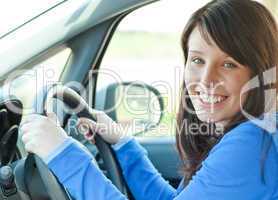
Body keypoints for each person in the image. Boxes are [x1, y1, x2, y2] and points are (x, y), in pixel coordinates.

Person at [21, 0, 278, 199]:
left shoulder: (253, 143)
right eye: (198, 60)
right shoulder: (253, 133)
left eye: (229, 64)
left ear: (259, 72)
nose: (206, 80)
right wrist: (123, 143)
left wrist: (62, 153)